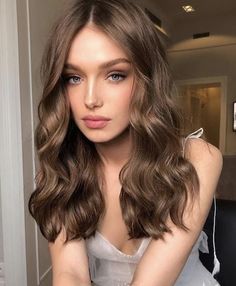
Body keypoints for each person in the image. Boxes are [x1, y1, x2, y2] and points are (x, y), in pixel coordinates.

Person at [28, 0, 222, 285]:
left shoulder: (197, 158)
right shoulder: (62, 168)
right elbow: (70, 273)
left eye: (115, 75)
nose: (90, 99)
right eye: (74, 78)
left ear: (147, 80)